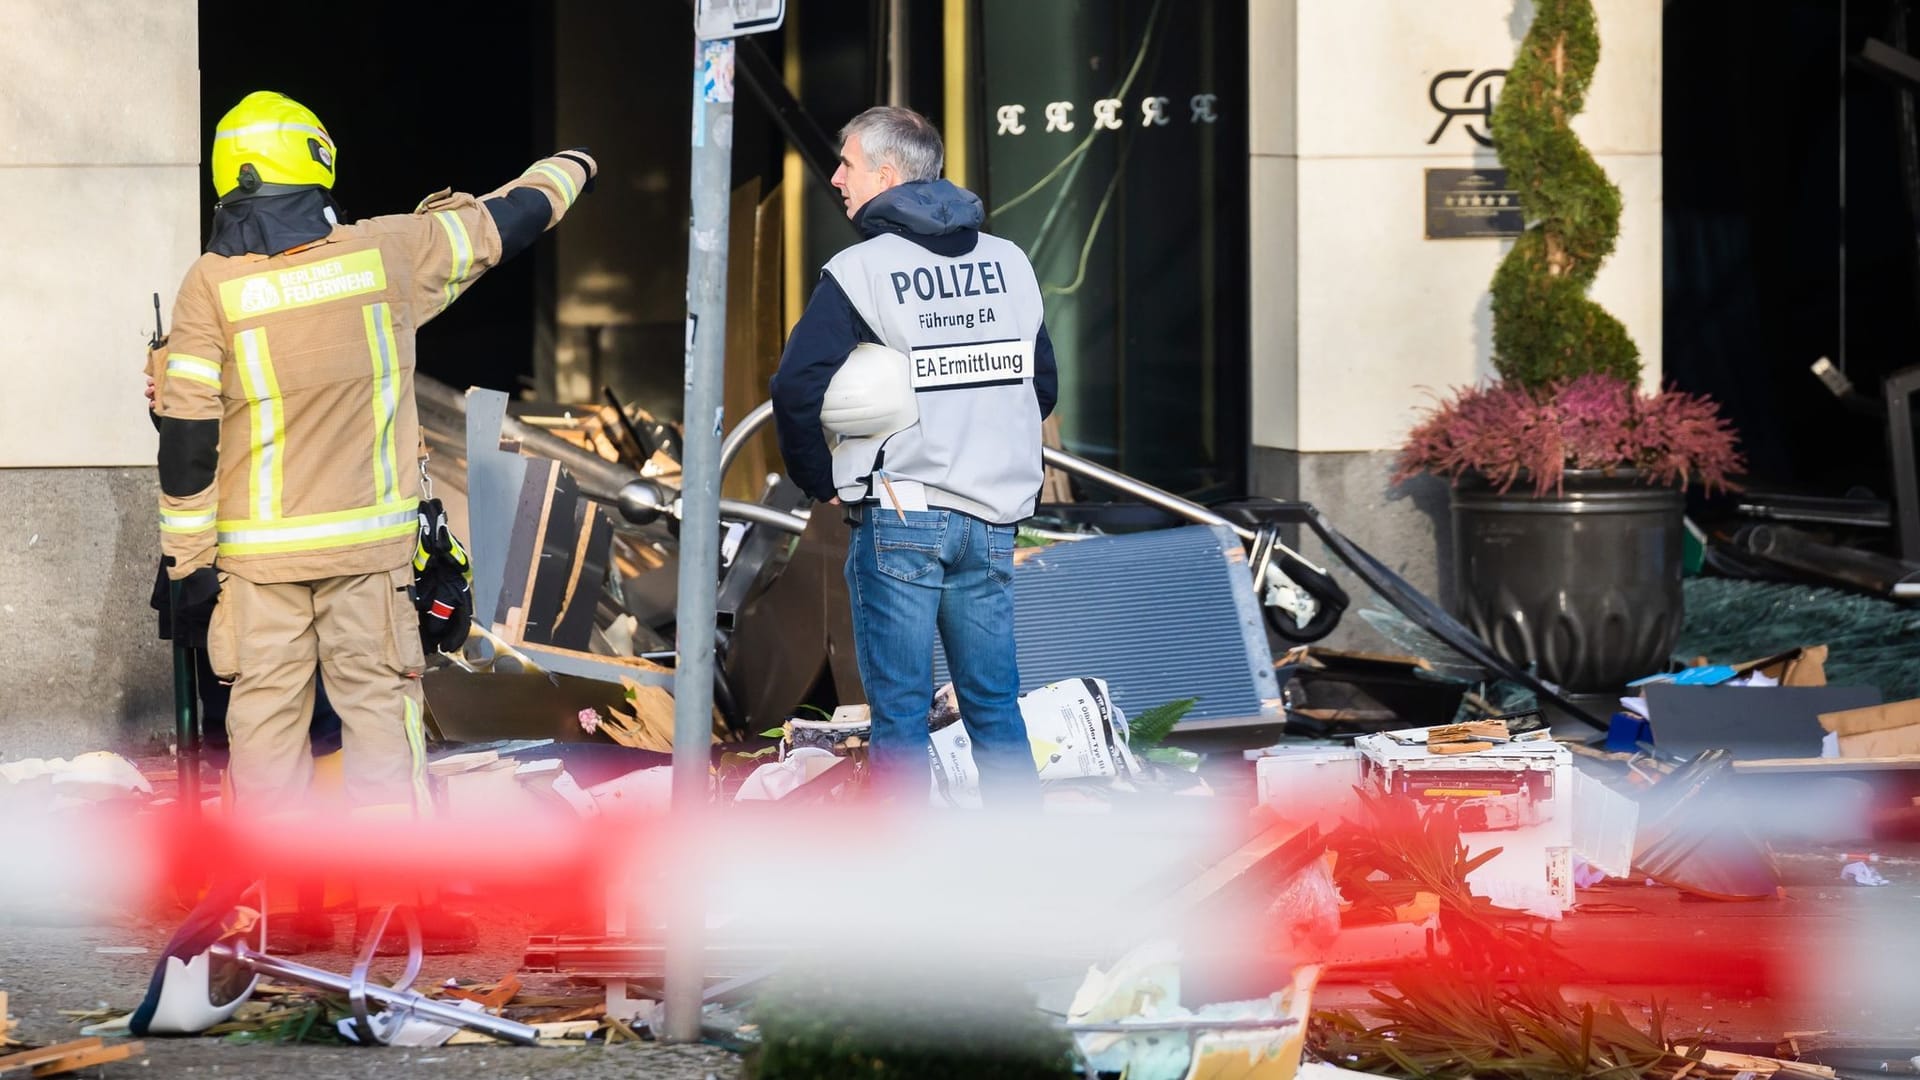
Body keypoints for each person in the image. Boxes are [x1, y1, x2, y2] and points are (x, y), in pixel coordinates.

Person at [148, 91, 596, 944]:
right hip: (369, 557)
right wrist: (574, 165)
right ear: (315, 161)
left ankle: (281, 918)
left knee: (267, 739)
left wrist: (188, 565)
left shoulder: (210, 287)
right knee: (381, 730)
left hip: (257, 569)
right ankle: (395, 916)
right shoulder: (387, 253)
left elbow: (186, 444)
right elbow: (508, 221)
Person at [769, 106, 1056, 807]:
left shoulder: (862, 270)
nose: (836, 177)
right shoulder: (1010, 263)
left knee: (899, 719)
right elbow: (1041, 386)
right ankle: (1031, 880)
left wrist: (819, 478)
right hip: (991, 520)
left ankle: (908, 887)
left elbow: (795, 386)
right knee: (993, 707)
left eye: (848, 164)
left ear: (887, 174)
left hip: (901, 514)